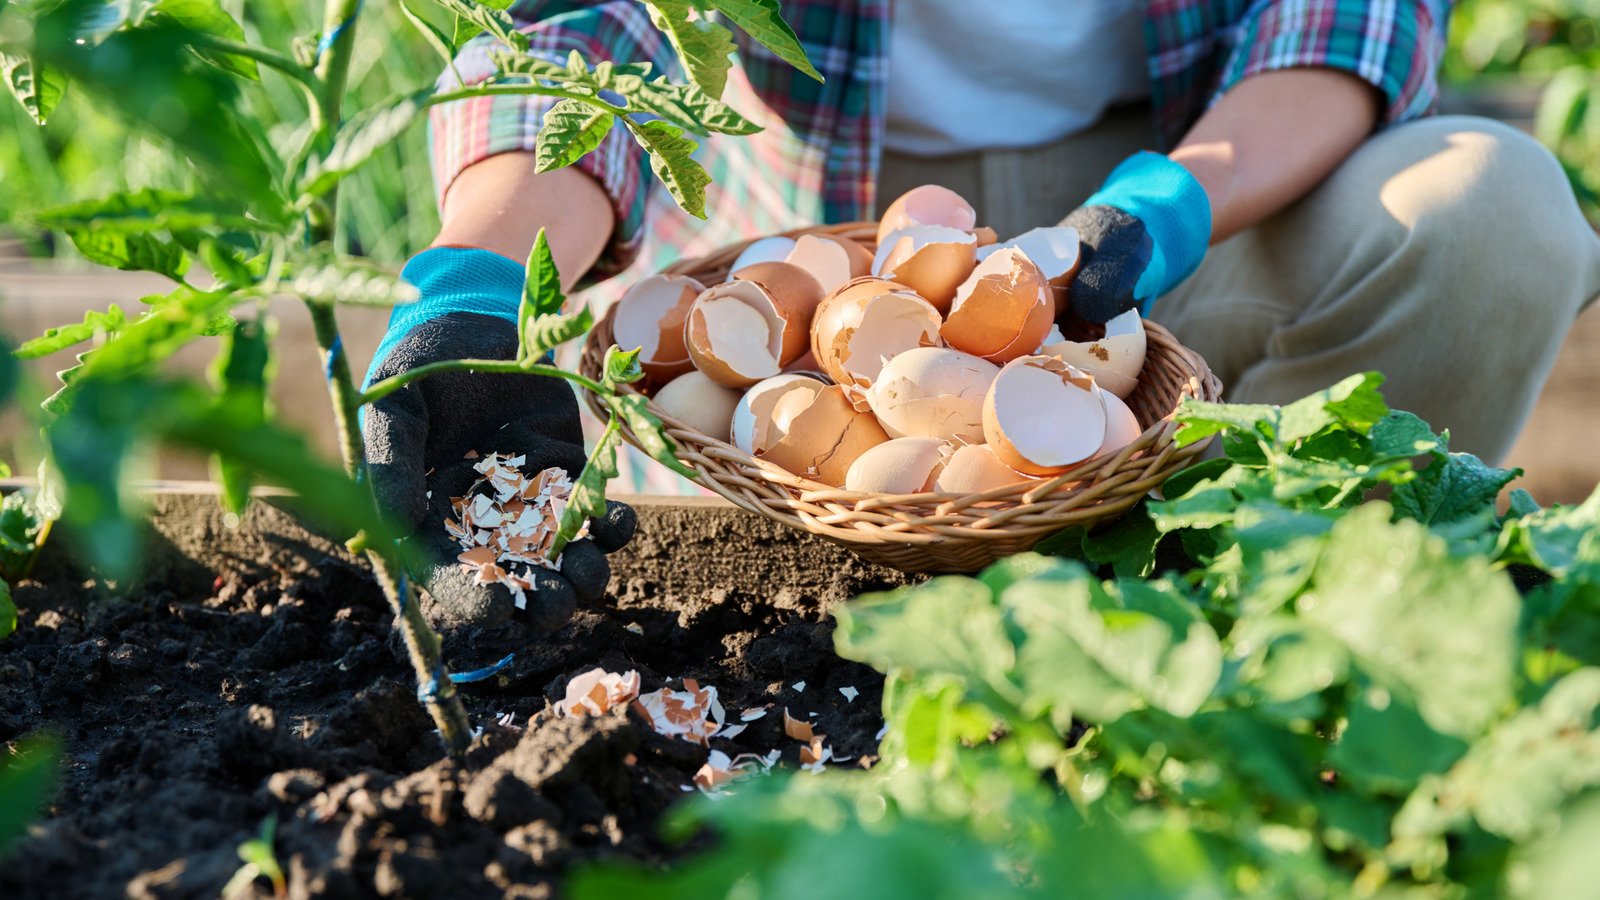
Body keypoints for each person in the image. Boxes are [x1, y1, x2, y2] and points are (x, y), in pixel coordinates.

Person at [362, 0, 1600, 629]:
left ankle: (1283, 650)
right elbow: (582, 28)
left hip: (1197, 184)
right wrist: (477, 280)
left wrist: (1166, 206)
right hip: (805, 247)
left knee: (1490, 217)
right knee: (754, 527)